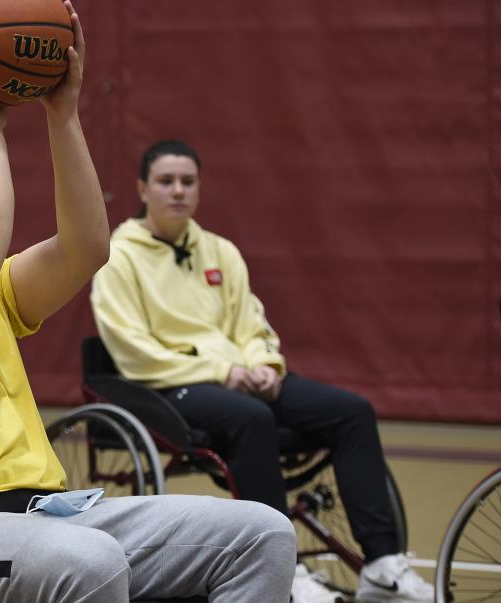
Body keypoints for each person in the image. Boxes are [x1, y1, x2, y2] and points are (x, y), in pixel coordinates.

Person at [0, 4, 296, 601]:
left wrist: (63, 113)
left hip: (54, 513)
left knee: (262, 532)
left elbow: (86, 248)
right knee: (92, 560)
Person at [90, 138, 434, 603]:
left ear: (199, 189)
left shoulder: (219, 251)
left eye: (187, 182)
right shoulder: (119, 256)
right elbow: (133, 349)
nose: (177, 191)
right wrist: (222, 371)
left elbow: (250, 323)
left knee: (351, 411)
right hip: (167, 385)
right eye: (165, 181)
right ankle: (284, 569)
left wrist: (264, 366)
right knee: (251, 418)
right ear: (142, 189)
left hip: (239, 377)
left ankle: (382, 564)